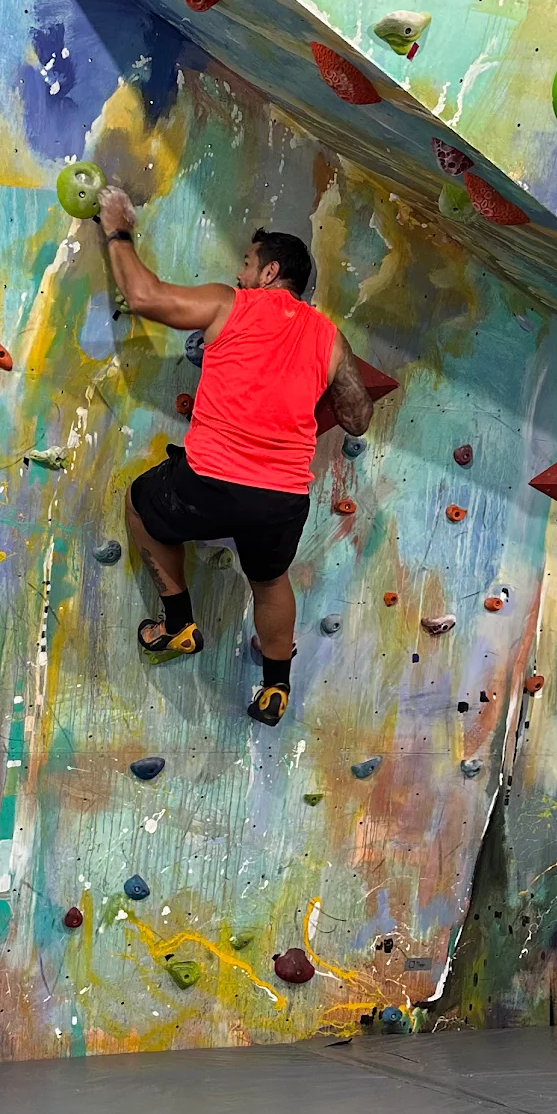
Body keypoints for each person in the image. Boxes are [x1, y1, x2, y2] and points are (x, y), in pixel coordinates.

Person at [95, 185, 375, 725]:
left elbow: (146, 296)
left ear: (270, 273)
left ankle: (178, 623)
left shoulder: (233, 302)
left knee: (140, 505)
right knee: (270, 581)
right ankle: (276, 687)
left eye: (248, 263)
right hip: (283, 501)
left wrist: (117, 229)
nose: (241, 272)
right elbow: (359, 417)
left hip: (210, 483)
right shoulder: (328, 337)